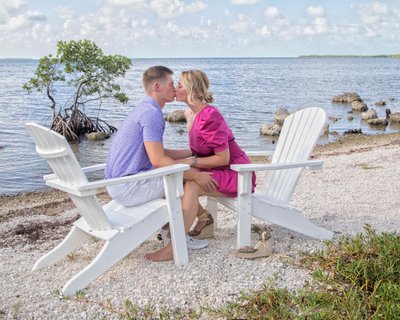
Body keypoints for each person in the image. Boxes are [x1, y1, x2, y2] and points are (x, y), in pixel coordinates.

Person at [104, 66, 218, 260]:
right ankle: (177, 242)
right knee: (187, 182)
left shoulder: (144, 108)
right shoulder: (152, 114)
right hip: (129, 187)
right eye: (171, 84)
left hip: (117, 185)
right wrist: (195, 174)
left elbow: (158, 153)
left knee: (180, 171)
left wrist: (193, 152)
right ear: (157, 86)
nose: (175, 88)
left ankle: (180, 230)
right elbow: (158, 161)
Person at [174, 70, 256, 239]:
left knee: (192, 183)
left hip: (237, 173)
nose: (175, 88)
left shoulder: (210, 115)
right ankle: (202, 219)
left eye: (179, 85)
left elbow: (223, 158)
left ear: (192, 90)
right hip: (216, 169)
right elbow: (199, 149)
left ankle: (176, 242)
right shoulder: (189, 114)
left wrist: (189, 162)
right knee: (173, 177)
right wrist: (164, 155)